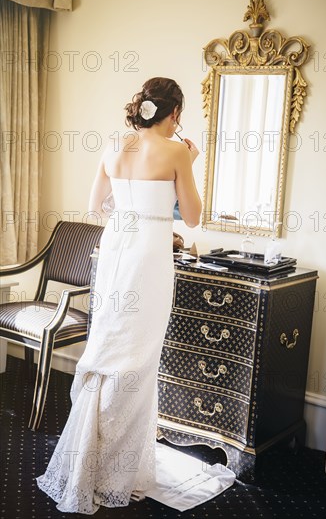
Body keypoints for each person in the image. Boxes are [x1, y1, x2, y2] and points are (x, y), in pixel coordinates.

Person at [37, 77, 202, 514]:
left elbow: (96, 205)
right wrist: (190, 164)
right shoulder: (177, 151)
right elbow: (193, 216)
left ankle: (88, 458)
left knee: (109, 346)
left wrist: (136, 218)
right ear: (175, 114)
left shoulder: (115, 145)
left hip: (114, 250)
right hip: (148, 260)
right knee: (139, 357)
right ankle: (114, 470)